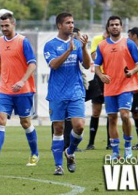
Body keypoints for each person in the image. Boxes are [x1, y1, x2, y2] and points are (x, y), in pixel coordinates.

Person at [0, 12, 39, 167]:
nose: (4, 28)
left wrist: (22, 81)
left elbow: (32, 64)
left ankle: (34, 154)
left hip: (24, 89)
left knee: (25, 123)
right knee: (0, 119)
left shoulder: (23, 42)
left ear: (13, 24)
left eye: (7, 25)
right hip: (5, 90)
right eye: (2, 26)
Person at [43, 12, 90, 175]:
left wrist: (83, 48)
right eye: (68, 22)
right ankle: (58, 166)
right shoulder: (50, 45)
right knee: (58, 129)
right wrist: (68, 51)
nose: (71, 25)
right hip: (57, 93)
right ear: (59, 25)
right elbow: (54, 65)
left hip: (76, 91)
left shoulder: (77, 43)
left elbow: (86, 64)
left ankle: (70, 152)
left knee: (79, 126)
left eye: (72, 22)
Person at [94, 16, 138, 160]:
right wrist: (101, 75)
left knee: (125, 115)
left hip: (126, 85)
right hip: (110, 87)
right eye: (112, 25)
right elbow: (96, 66)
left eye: (117, 24)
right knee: (112, 117)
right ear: (108, 28)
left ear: (121, 27)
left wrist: (132, 72)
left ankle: (127, 147)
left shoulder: (129, 43)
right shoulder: (102, 45)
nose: (114, 27)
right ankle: (115, 151)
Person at [86, 30, 111, 150]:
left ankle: (110, 143)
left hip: (111, 79)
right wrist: (105, 42)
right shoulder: (97, 39)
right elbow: (95, 57)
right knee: (96, 112)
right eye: (110, 26)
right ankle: (91, 143)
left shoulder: (118, 42)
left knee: (111, 113)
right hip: (98, 78)